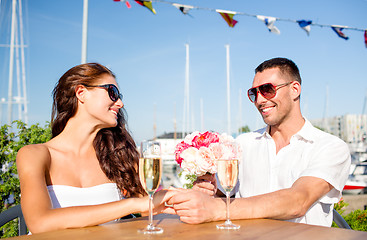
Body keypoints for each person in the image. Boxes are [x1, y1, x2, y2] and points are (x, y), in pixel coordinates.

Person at [165, 57, 351, 227]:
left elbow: (298, 201)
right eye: (254, 93)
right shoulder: (242, 144)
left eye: (267, 90)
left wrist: (216, 209)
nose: (259, 100)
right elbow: (220, 193)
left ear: (294, 89)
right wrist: (206, 192)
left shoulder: (330, 147)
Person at [16, 63, 172, 233]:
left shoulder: (118, 155)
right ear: (81, 93)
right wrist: (131, 204)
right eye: (112, 93)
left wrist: (194, 192)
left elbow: (150, 210)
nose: (120, 103)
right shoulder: (34, 155)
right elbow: (40, 223)